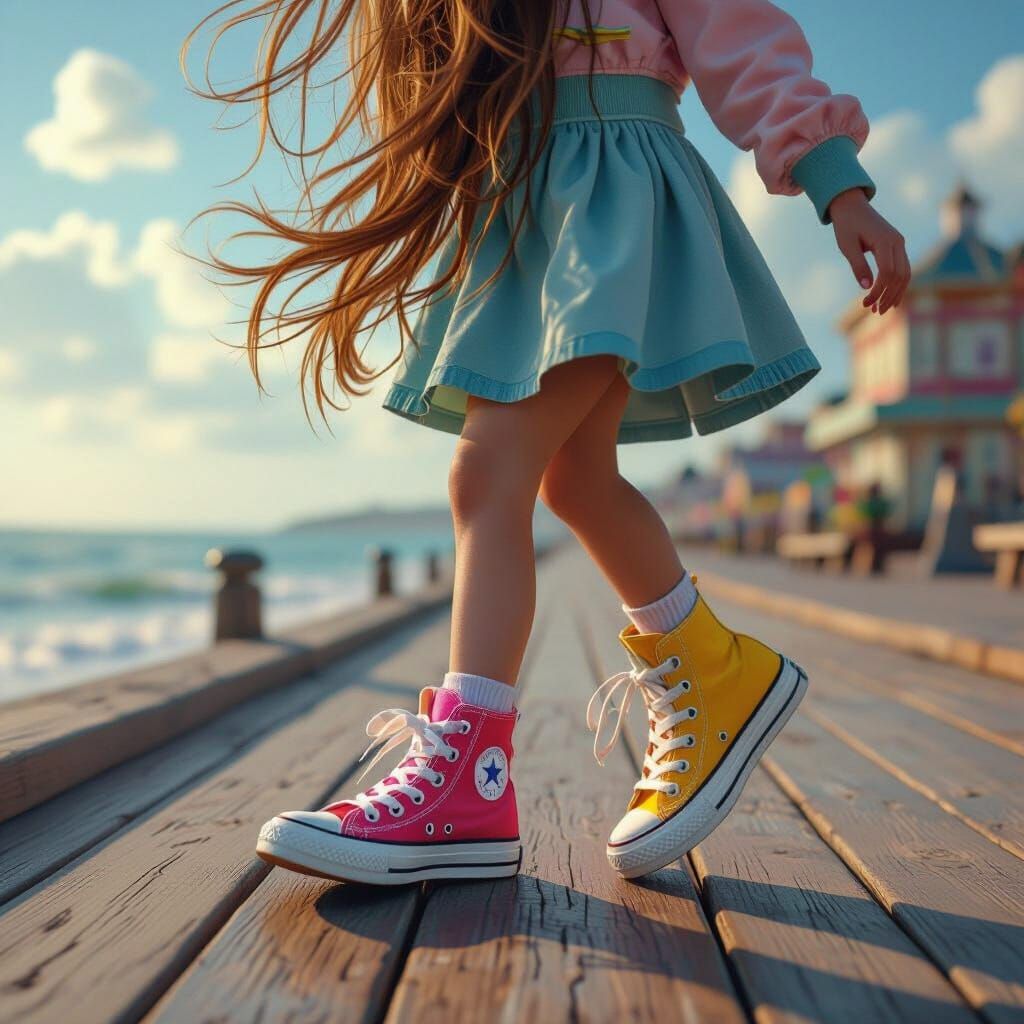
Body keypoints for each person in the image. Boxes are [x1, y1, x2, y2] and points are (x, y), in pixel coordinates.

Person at [186, 0, 909, 884]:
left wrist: (837, 183)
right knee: (575, 480)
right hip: (532, 207)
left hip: (617, 200)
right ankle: (716, 672)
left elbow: (739, 35)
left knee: (487, 475)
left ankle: (470, 780)